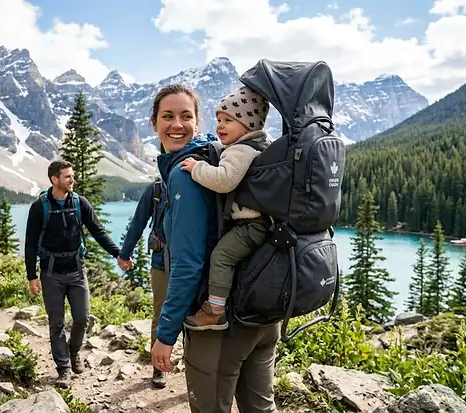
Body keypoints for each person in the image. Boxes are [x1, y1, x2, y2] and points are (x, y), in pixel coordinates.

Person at [148, 83, 282, 412]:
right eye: (168, 116)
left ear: (198, 122)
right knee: (261, 407)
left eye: (185, 116)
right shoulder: (222, 155)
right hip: (262, 310)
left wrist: (166, 334)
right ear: (154, 122)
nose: (176, 124)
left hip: (221, 325)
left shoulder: (186, 173)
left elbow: (189, 264)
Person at [24, 160, 130, 389]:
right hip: (50, 273)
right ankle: (63, 369)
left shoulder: (80, 203)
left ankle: (73, 352)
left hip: (76, 272)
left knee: (82, 318)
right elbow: (30, 243)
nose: (72, 180)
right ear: (54, 179)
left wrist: (118, 254)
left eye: (72, 176)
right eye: (67, 177)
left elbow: (98, 231)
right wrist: (32, 276)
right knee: (57, 322)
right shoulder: (39, 206)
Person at [179, 86, 271, 331]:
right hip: (259, 223)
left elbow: (224, 180)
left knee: (221, 256)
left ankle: (215, 311)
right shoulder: (260, 146)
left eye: (228, 120)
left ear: (249, 125)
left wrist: (196, 168)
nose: (220, 125)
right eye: (219, 119)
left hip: (251, 224)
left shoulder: (240, 150)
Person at [117, 171, 169, 388]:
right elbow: (138, 221)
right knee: (161, 312)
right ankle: (159, 368)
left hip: (194, 261)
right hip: (162, 261)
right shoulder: (156, 188)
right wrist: (125, 252)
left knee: (195, 316)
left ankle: (195, 368)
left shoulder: (202, 175)